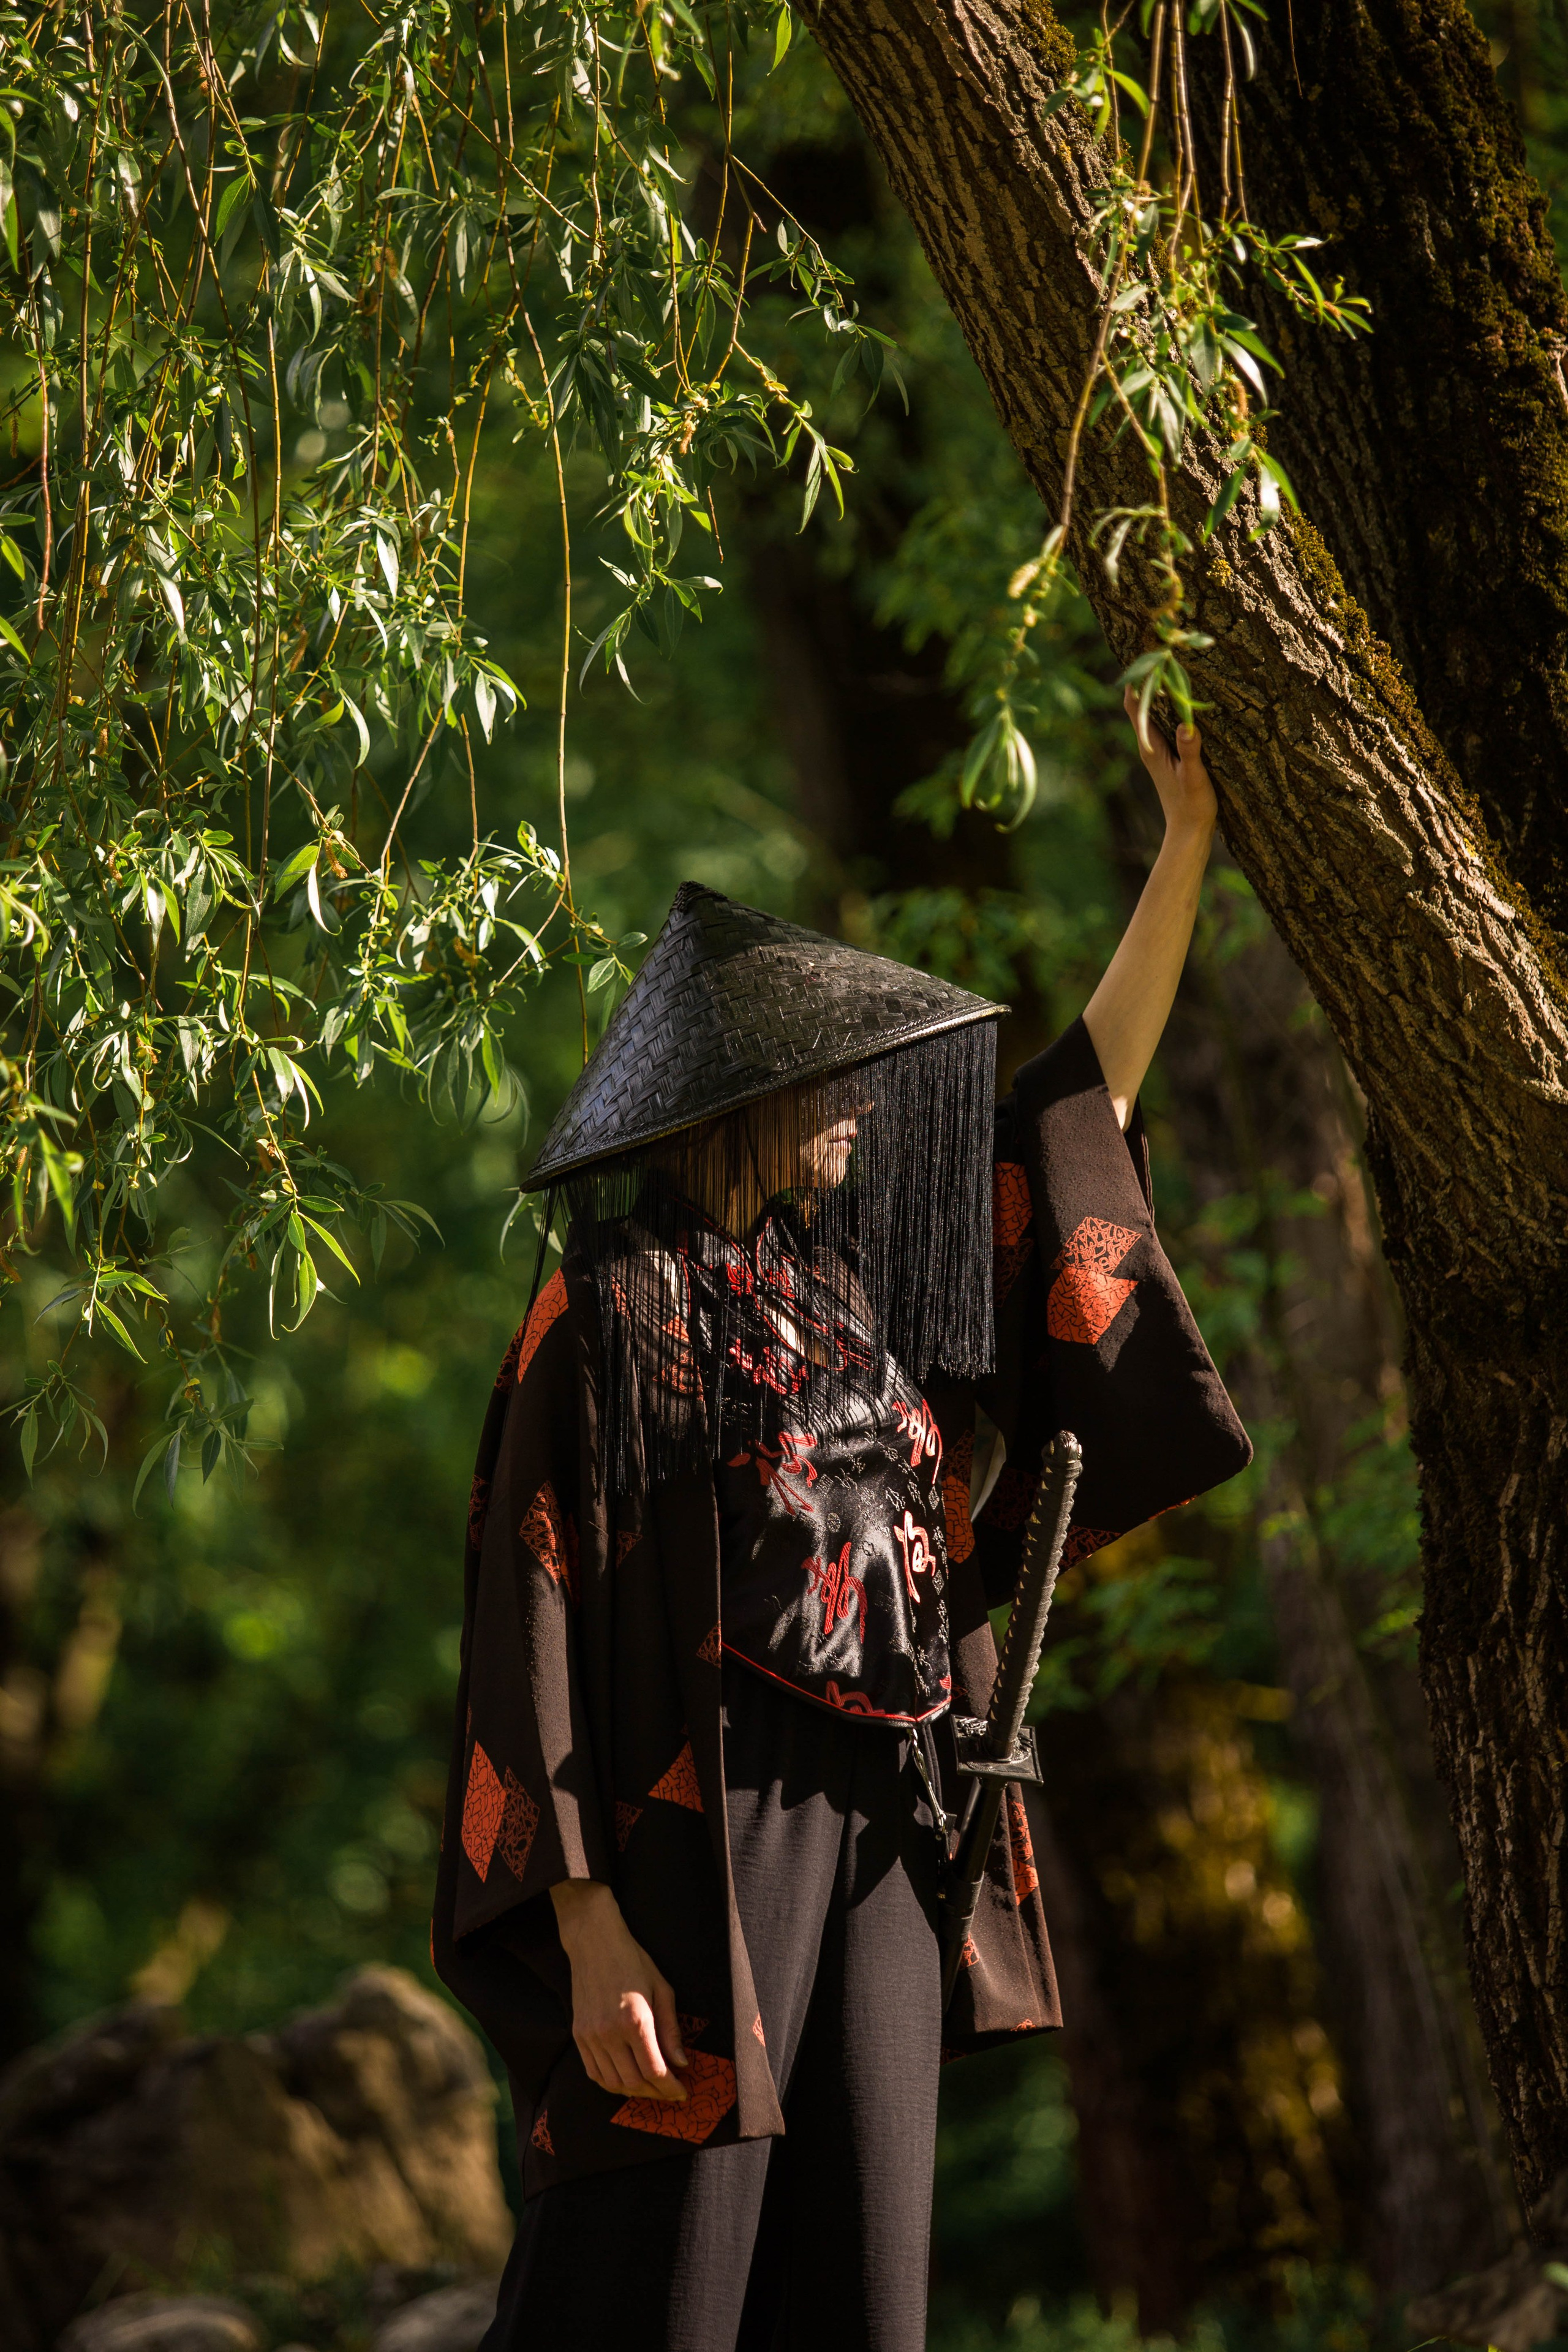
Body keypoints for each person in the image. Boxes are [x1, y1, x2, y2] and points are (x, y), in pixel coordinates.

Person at [432, 695, 1251, 2351]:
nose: (876, 1103)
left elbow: (1074, 1112)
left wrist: (1184, 855)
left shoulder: (866, 1280)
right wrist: (588, 1931)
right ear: (744, 1096)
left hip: (888, 1820)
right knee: (654, 2266)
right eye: (840, 1076)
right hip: (694, 1833)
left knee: (860, 2280)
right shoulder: (599, 1316)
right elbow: (527, 1630)